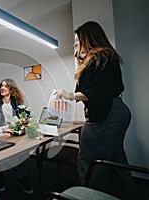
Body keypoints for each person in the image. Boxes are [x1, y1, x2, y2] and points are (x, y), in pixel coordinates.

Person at [56, 21, 135, 199]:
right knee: (115, 160)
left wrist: (67, 94)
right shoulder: (105, 57)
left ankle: (87, 195)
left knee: (89, 161)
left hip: (107, 116)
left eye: (77, 39)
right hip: (117, 112)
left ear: (88, 38)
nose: (75, 43)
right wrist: (80, 60)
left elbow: (95, 92)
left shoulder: (100, 58)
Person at [0, 78, 33, 195]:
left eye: (6, 86)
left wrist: (25, 122)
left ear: (12, 89)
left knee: (25, 150)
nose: (2, 88)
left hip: (14, 134)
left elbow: (26, 116)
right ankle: (0, 178)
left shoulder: (17, 103)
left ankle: (21, 177)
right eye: (1, 86)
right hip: (0, 134)